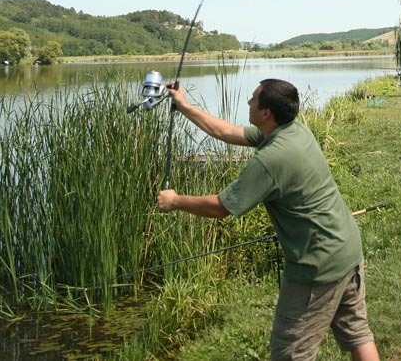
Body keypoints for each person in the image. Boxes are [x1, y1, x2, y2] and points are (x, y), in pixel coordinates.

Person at [158, 79, 380, 361]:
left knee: (290, 352)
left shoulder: (270, 160)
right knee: (357, 333)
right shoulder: (292, 129)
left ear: (266, 113)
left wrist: (175, 201)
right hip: (346, 249)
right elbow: (226, 132)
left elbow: (221, 207)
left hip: (316, 267)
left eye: (253, 98)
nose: (248, 102)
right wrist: (185, 107)